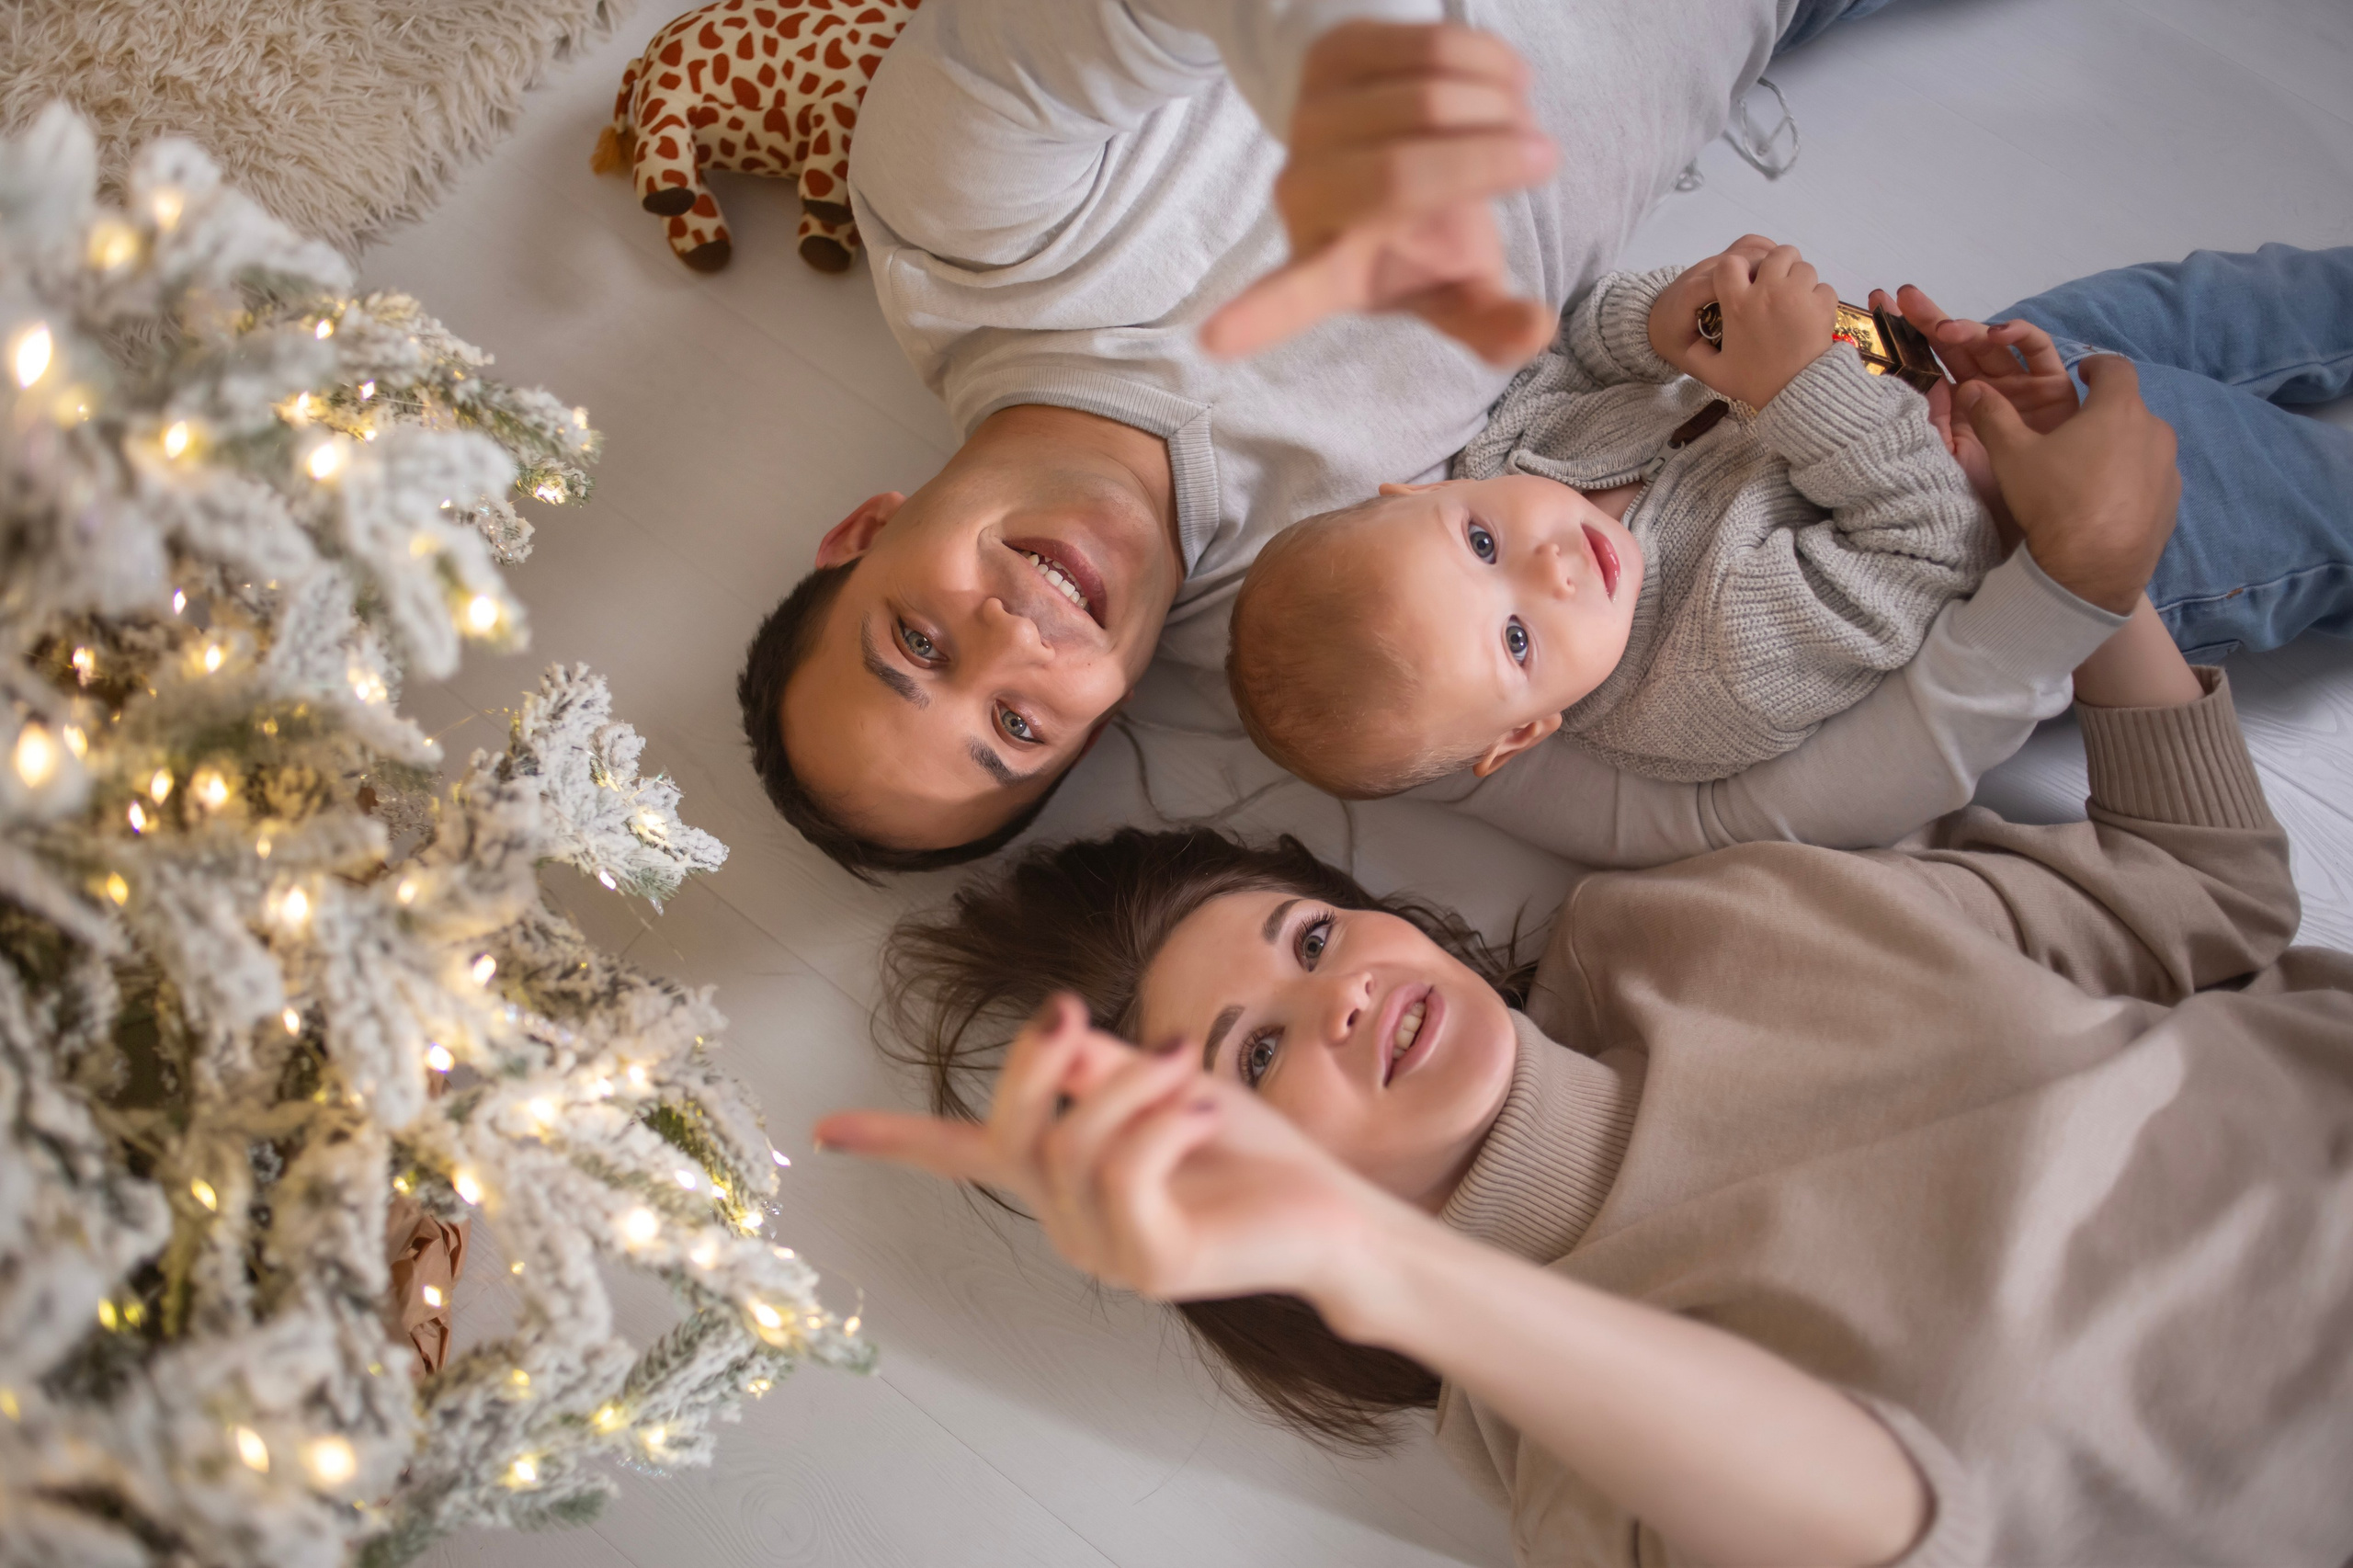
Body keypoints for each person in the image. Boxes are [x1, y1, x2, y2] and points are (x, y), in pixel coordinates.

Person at [813, 365, 2353, 1565]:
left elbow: (2199, 896)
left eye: (1309, 937)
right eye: (1261, 1058)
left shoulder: (1702, 916)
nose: (1337, 991)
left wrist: (2091, 566)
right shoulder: (1565, 1458)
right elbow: (1900, 1524)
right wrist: (1380, 1267)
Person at [735, 0, 2011, 874]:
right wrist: (2071, 593)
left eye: (917, 638)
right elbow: (1698, 810)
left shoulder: (959, 226)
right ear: (1099, 718)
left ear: (864, 530)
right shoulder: (1330, 641)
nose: (1014, 638)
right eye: (1017, 726)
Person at [1227, 241, 2353, 796]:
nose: (1548, 563)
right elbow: (1927, 553)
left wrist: (1661, 320)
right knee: (2303, 494)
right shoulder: (1711, 672)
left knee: (2209, 306)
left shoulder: (1507, 446)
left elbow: (1572, 338)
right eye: (1516, 640)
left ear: (1417, 488)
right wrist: (1786, 388)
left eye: (1477, 543)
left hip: (1953, 365)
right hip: (2068, 529)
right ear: (1522, 734)